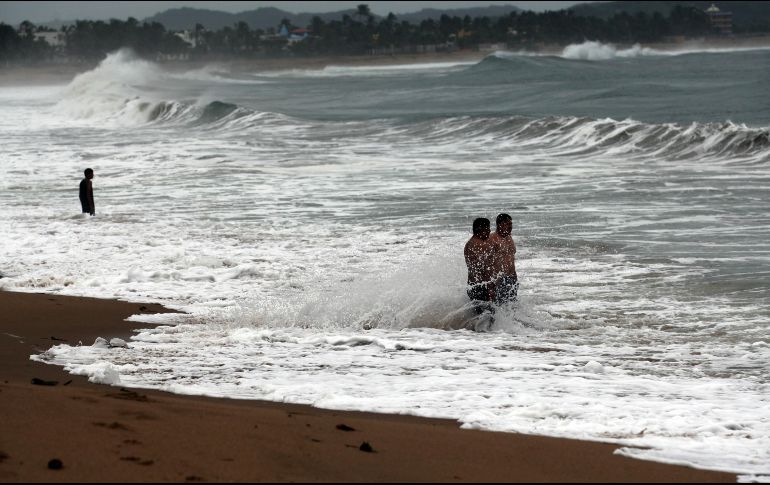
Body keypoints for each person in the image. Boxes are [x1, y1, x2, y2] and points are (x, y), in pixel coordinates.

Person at [464, 218, 496, 314]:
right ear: (480, 229)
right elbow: (484, 268)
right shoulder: (479, 245)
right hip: (481, 286)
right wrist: (490, 287)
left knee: (479, 316)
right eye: (487, 229)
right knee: (488, 316)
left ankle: (471, 329)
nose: (489, 231)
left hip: (473, 285)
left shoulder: (471, 243)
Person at [490, 213, 518, 304]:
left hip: (512, 278)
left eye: (511, 224)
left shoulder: (509, 237)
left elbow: (511, 259)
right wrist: (492, 284)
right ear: (500, 225)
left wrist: (514, 276)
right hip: (499, 280)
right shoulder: (492, 239)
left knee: (511, 307)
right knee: (498, 307)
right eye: (508, 224)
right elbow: (487, 263)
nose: (510, 227)